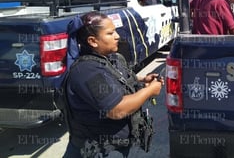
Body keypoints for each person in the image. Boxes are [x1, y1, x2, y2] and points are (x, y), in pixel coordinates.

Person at [62, 11, 163, 158]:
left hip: (117, 146)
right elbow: (117, 110)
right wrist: (149, 92)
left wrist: (142, 80)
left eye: (115, 31)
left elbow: (117, 78)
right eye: (110, 33)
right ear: (93, 41)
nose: (117, 36)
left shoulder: (110, 58)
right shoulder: (86, 71)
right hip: (99, 151)